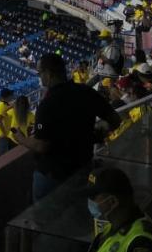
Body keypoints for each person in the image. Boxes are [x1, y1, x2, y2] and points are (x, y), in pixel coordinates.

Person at [14, 53, 121, 201]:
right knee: (76, 209)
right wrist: (97, 135)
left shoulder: (47, 104)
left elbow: (41, 145)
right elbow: (115, 120)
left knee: (46, 213)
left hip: (53, 175)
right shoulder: (85, 91)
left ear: (49, 74)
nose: (40, 77)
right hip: (82, 168)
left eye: (40, 73)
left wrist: (21, 139)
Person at [86, 167, 152, 252]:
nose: (89, 201)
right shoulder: (113, 225)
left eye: (92, 197)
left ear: (112, 202)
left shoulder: (141, 242)